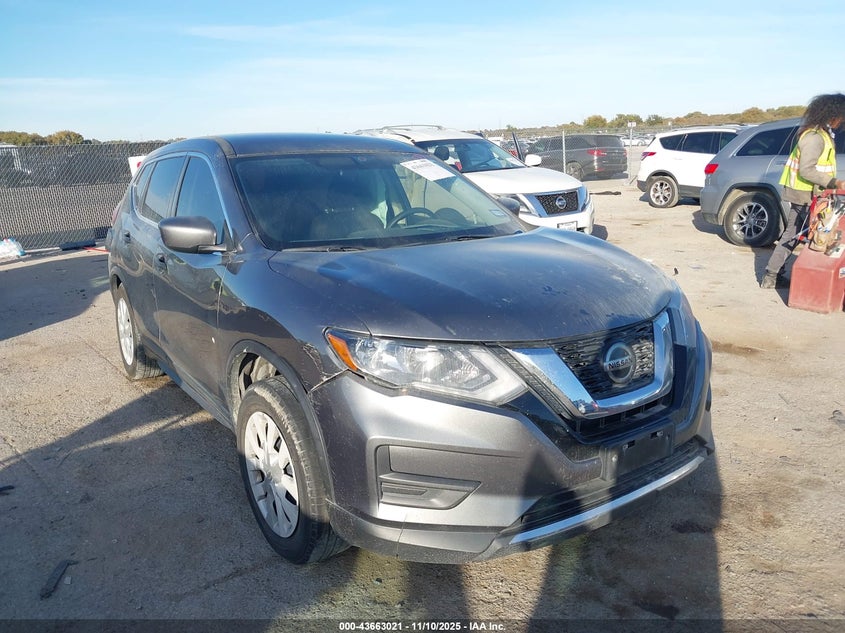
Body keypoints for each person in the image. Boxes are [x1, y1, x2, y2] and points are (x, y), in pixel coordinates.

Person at [761, 93, 845, 289]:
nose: (842, 122)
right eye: (841, 116)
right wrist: (835, 182)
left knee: (797, 234)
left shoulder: (822, 134)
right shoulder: (814, 137)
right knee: (803, 235)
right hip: (805, 195)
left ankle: (774, 275)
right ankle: (774, 276)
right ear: (832, 114)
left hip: (811, 193)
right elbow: (807, 170)